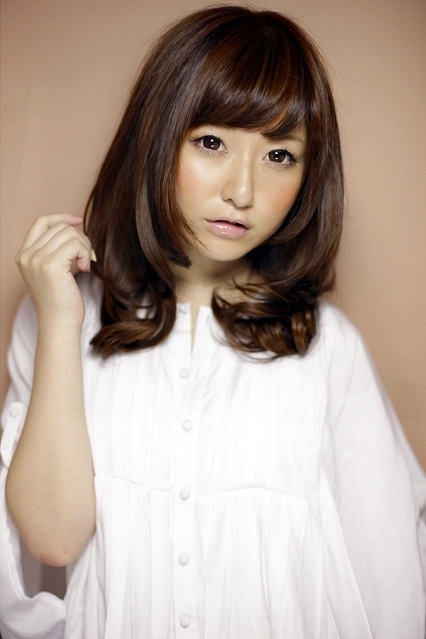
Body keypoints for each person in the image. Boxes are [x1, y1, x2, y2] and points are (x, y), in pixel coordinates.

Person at [0, 5, 425, 639]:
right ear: (157, 137)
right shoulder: (62, 316)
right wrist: (61, 320)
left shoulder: (325, 346)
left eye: (279, 155)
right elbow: (53, 540)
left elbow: (392, 580)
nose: (242, 191)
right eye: (211, 143)